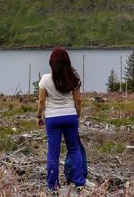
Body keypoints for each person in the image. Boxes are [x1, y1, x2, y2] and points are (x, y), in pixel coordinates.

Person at [36, 47, 85, 195]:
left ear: (52, 63)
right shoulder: (73, 79)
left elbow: (41, 101)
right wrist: (76, 116)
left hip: (52, 119)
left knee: (53, 153)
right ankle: (80, 183)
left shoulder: (45, 79)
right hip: (70, 116)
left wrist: (39, 117)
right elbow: (78, 101)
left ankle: (53, 186)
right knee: (74, 149)